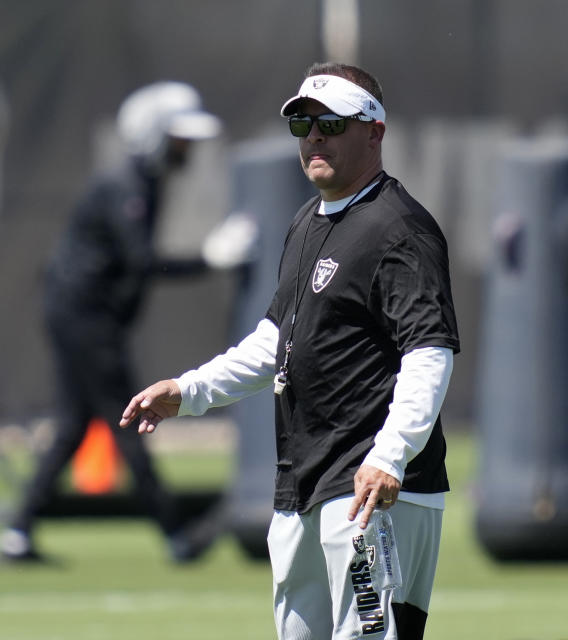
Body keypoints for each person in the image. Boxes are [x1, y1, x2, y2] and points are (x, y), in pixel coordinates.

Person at [120, 63, 460, 639]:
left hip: (367, 488)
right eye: (303, 123)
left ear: (373, 131)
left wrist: (390, 455)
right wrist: (190, 390)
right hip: (303, 485)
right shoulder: (308, 221)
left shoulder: (400, 229)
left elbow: (428, 351)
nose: (315, 136)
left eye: (331, 122)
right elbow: (277, 341)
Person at [0, 81, 247, 564]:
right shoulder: (126, 185)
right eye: (179, 138)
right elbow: (140, 260)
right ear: (154, 135)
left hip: (82, 314)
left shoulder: (145, 182)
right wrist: (212, 259)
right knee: (131, 418)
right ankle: (177, 535)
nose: (187, 148)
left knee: (74, 425)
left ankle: (16, 533)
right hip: (85, 316)